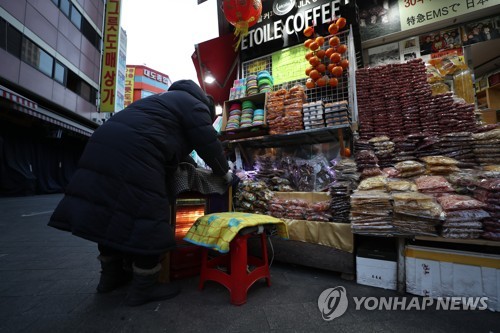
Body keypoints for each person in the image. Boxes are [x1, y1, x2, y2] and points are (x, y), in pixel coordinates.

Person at [48, 79, 233, 306]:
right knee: (150, 218)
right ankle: (144, 287)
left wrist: (188, 163)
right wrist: (224, 172)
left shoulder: (160, 101)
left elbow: (170, 141)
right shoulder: (195, 105)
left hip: (101, 145)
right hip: (138, 155)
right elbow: (208, 144)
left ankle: (109, 278)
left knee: (108, 215)